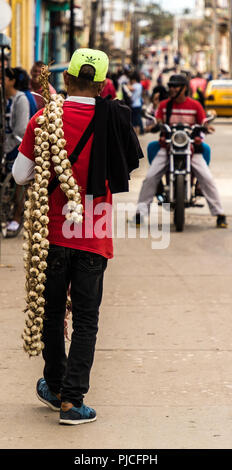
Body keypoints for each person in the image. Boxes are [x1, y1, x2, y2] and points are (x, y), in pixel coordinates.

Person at [12, 48, 143, 425]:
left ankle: (54, 386)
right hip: (93, 236)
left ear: (66, 79)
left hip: (51, 237)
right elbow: (127, 168)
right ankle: (72, 402)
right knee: (86, 319)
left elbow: (21, 175)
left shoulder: (43, 119)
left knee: (52, 314)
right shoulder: (116, 120)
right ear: (102, 86)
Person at [134, 74, 227, 229]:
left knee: (207, 178)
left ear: (184, 88)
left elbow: (203, 122)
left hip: (191, 149)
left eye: (175, 86)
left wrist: (206, 127)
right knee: (150, 177)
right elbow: (157, 121)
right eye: (170, 86)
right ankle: (139, 213)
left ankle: (220, 214)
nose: (171, 89)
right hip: (167, 148)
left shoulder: (195, 105)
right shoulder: (164, 105)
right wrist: (153, 126)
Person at [4, 67, 30, 235]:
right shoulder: (5, 100)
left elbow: (20, 130)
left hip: (16, 147)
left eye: (3, 79)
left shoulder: (21, 100)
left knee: (19, 182)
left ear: (12, 81)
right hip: (6, 145)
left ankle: (16, 217)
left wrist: (6, 149)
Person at [127, 71, 144, 135]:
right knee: (137, 119)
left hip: (134, 105)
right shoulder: (140, 85)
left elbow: (129, 88)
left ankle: (136, 134)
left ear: (133, 79)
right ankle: (138, 133)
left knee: (134, 121)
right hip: (138, 104)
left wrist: (127, 83)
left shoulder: (135, 85)